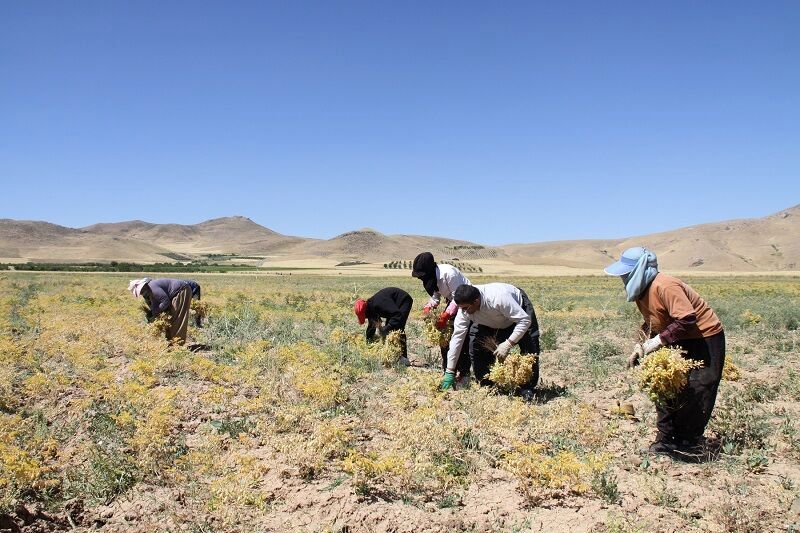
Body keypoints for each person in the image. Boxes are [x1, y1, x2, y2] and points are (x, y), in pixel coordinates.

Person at [604, 246, 725, 460]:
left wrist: (657, 341)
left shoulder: (665, 285)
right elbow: (655, 320)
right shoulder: (642, 291)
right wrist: (641, 344)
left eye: (625, 273)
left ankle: (688, 442)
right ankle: (666, 440)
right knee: (665, 387)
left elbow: (687, 319)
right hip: (675, 336)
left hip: (702, 338)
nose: (622, 277)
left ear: (639, 270)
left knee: (697, 388)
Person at [441, 283, 540, 393]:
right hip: (488, 321)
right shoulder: (465, 309)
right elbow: (457, 338)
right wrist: (450, 370)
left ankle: (527, 387)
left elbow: (524, 321)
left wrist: (508, 343)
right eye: (461, 308)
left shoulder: (499, 298)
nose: (463, 311)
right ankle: (487, 385)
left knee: (530, 348)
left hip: (518, 313)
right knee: (475, 346)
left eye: (465, 308)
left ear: (476, 301)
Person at [411, 252, 472, 384]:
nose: (421, 279)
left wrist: (447, 314)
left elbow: (458, 298)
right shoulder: (432, 278)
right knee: (443, 338)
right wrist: (429, 306)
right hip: (452, 301)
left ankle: (465, 373)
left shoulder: (448, 274)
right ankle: (448, 370)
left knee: (460, 337)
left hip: (467, 301)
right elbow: (436, 297)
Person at [354, 287, 413, 361]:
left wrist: (387, 327)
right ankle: (393, 355)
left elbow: (397, 315)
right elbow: (372, 326)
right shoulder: (370, 308)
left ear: (366, 311)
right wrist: (368, 342)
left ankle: (403, 358)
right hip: (393, 306)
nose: (366, 318)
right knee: (389, 331)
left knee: (398, 327)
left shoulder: (378, 304)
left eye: (365, 316)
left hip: (403, 300)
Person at [128, 277, 192, 345]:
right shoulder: (147, 292)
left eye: (141, 291)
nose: (142, 293)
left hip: (181, 290)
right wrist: (152, 315)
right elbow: (153, 306)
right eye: (140, 292)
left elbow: (165, 302)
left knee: (177, 319)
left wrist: (156, 313)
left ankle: (178, 344)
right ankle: (171, 342)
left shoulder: (152, 288)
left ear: (144, 287)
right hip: (174, 294)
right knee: (169, 320)